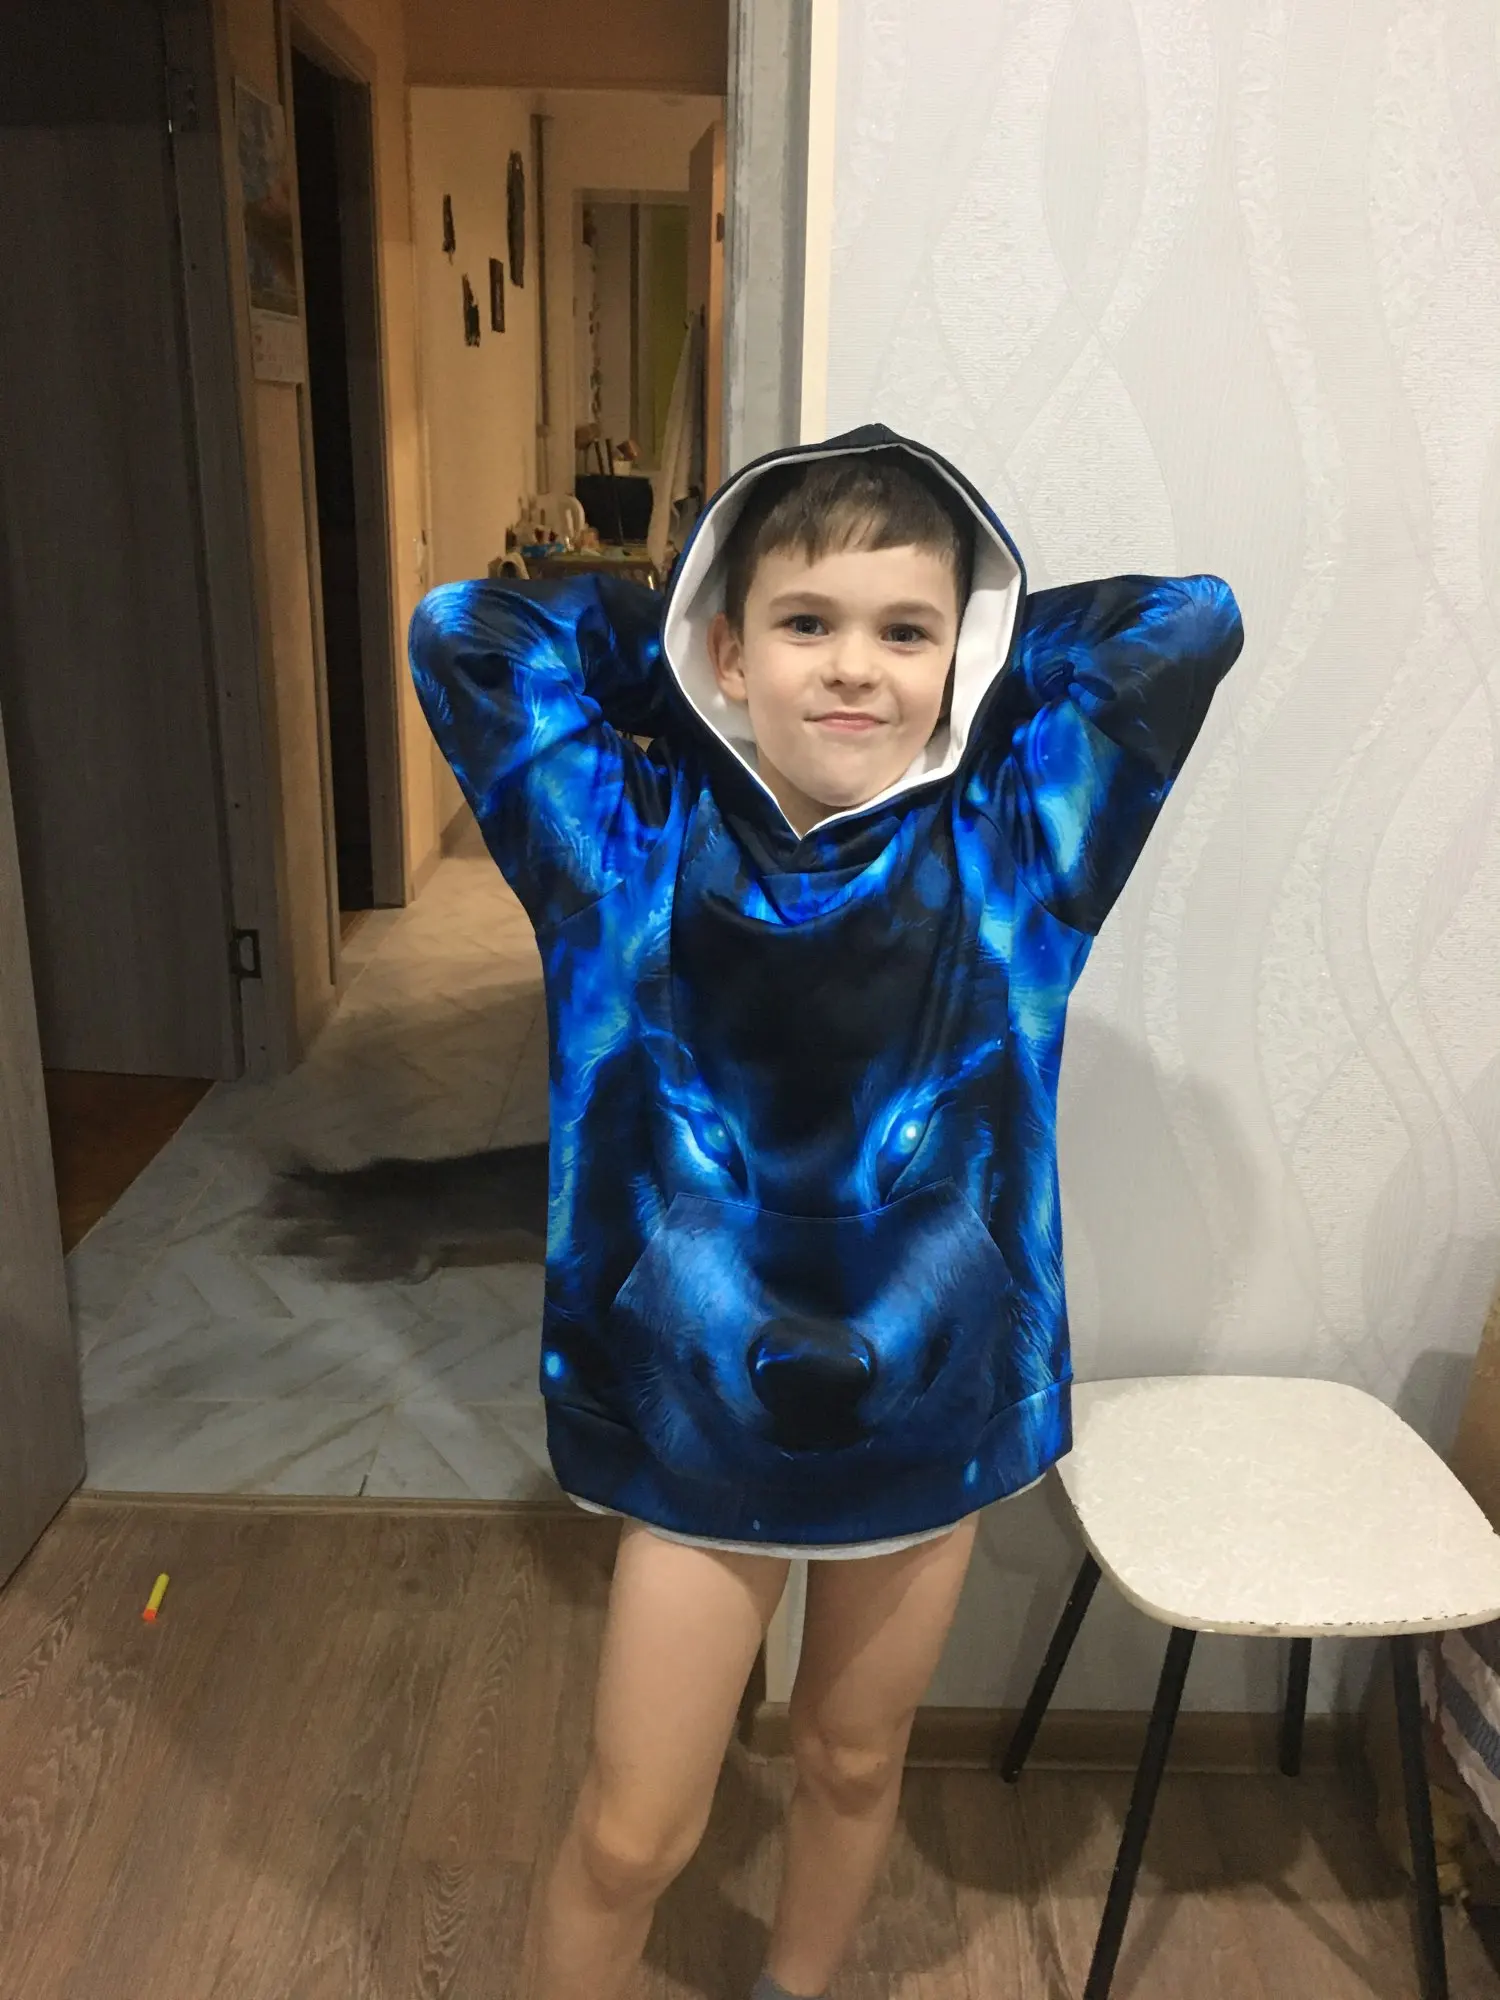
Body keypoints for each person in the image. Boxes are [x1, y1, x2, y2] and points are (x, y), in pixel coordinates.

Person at [409, 425, 1244, 1999]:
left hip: (927, 1406)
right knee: (633, 1835)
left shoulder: (1018, 854)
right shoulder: (620, 847)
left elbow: (1188, 621)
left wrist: (978, 646)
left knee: (855, 1761)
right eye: (807, 624)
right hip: (698, 1422)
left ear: (958, 655)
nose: (856, 667)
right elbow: (467, 630)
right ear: (729, 648)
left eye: (905, 632)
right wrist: (685, 650)